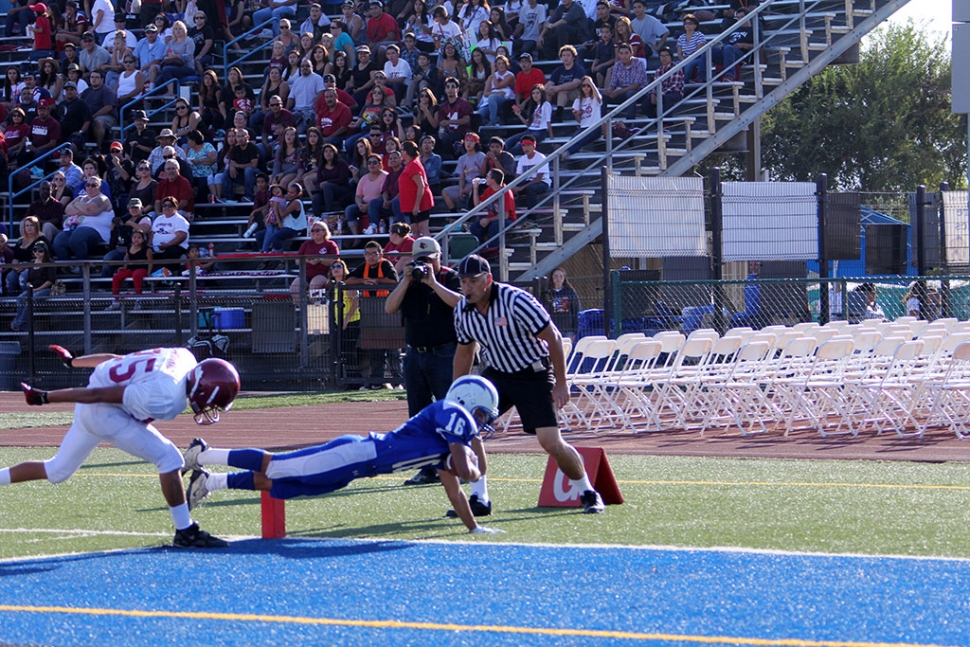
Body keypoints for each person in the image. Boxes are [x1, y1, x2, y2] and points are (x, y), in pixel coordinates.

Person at [182, 375, 504, 534]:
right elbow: (466, 470)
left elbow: (456, 491)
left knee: (286, 486)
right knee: (277, 466)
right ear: (467, 401)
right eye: (481, 415)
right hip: (356, 453)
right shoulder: (452, 413)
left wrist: (473, 528)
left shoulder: (442, 443)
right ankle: (205, 454)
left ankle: (210, 482)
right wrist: (474, 465)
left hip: (358, 468)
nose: (482, 423)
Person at [9, 346, 238, 548]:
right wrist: (46, 398)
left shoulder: (183, 356)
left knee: (57, 470)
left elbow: (115, 359)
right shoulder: (168, 399)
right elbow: (99, 395)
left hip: (95, 406)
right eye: (212, 402)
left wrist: (73, 361)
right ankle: (186, 532)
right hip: (102, 410)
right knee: (170, 459)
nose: (210, 408)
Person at [452, 254, 606, 514]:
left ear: (488, 280)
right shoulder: (462, 310)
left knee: (550, 442)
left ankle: (588, 492)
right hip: (499, 374)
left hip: (533, 373)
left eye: (473, 281)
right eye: (463, 282)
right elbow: (465, 353)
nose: (467, 287)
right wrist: (456, 394)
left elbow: (553, 338)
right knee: (467, 427)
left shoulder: (516, 300)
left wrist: (560, 382)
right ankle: (480, 498)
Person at [384, 235, 466, 488]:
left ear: (439, 257)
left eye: (429, 260)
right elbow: (389, 307)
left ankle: (460, 465)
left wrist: (432, 283)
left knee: (450, 412)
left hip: (445, 352)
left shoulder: (449, 277)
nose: (424, 265)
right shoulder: (408, 281)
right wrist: (406, 280)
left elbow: (461, 303)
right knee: (418, 415)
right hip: (415, 354)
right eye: (420, 261)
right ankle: (427, 469)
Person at [346, 241, 398, 387]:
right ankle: (377, 381)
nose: (370, 257)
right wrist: (363, 281)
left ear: (380, 254)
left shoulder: (386, 265)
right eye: (367, 254)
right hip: (371, 312)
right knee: (375, 349)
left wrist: (375, 281)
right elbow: (348, 280)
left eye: (374, 253)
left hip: (388, 311)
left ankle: (398, 380)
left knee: (393, 349)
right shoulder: (364, 267)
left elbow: (394, 281)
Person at [54, 176, 114, 263]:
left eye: (94, 185)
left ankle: (82, 267)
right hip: (74, 228)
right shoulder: (80, 198)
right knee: (59, 241)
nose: (90, 187)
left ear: (99, 187)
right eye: (88, 185)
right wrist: (84, 209)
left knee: (77, 237)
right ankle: (67, 267)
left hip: (96, 230)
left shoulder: (103, 199)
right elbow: (67, 210)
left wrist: (77, 205)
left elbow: (92, 210)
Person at [9, 241, 56, 332]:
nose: (37, 252)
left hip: (46, 289)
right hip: (33, 289)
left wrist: (36, 290)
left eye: (40, 251)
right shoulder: (32, 262)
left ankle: (18, 323)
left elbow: (50, 281)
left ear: (45, 251)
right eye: (35, 250)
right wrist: (29, 287)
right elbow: (29, 279)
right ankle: (20, 323)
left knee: (31, 300)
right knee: (20, 298)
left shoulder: (50, 262)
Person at [290, 221, 338, 304]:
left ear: (324, 231)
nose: (314, 232)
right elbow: (297, 261)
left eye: (317, 230)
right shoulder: (306, 244)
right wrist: (308, 260)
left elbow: (336, 261)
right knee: (294, 288)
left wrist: (320, 260)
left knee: (314, 287)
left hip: (323, 273)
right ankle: (304, 310)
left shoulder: (330, 244)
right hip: (306, 273)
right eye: (312, 231)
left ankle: (316, 311)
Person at [107, 229, 152, 308]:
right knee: (116, 277)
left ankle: (138, 299)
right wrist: (124, 267)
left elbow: (150, 262)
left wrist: (148, 274)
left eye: (139, 237)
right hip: (131, 268)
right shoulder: (129, 247)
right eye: (134, 237)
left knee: (136, 275)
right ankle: (115, 300)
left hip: (142, 269)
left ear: (143, 239)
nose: (136, 239)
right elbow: (127, 259)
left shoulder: (147, 249)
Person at [603, 43, 649, 119]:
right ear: (618, 54)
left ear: (632, 54)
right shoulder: (617, 65)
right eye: (621, 53)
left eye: (626, 53)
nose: (624, 56)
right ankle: (601, 121)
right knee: (603, 95)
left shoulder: (639, 64)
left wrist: (618, 92)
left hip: (640, 93)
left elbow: (636, 86)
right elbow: (613, 83)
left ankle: (630, 121)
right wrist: (610, 91)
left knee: (630, 93)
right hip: (623, 93)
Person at [512, 135, 551, 209]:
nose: (526, 148)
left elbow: (539, 178)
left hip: (543, 182)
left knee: (530, 188)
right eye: (524, 146)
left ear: (534, 146)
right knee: (508, 189)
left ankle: (532, 216)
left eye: (528, 145)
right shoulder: (522, 159)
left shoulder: (541, 157)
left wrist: (521, 188)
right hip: (528, 181)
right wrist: (514, 186)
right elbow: (518, 176)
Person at [541, 267, 581, 341]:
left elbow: (576, 311)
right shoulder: (547, 293)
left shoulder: (570, 292)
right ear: (552, 278)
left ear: (564, 278)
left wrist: (576, 331)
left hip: (568, 329)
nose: (558, 279)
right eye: (555, 276)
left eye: (561, 276)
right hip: (553, 329)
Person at [646, 47, 684, 118]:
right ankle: (657, 124)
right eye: (662, 56)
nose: (664, 58)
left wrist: (660, 95)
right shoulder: (658, 70)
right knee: (646, 104)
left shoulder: (677, 68)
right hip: (662, 92)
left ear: (671, 57)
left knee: (667, 98)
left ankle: (667, 124)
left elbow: (675, 86)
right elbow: (654, 85)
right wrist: (653, 94)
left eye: (666, 55)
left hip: (675, 92)